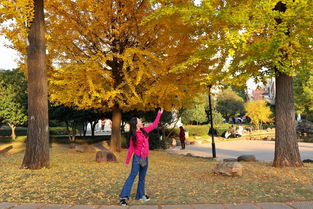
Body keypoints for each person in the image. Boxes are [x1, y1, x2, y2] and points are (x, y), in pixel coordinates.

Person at [119, 108, 163, 206]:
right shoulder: (133, 135)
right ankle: (124, 197)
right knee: (132, 176)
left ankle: (140, 195)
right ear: (136, 124)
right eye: (139, 120)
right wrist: (127, 161)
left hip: (144, 158)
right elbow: (131, 149)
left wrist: (159, 113)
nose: (140, 121)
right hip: (137, 158)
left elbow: (154, 125)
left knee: (142, 177)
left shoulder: (145, 130)